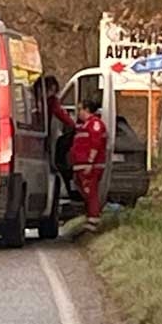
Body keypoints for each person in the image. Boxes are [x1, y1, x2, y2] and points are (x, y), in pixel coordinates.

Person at [69, 96, 108, 234]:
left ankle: (93, 221)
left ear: (87, 109)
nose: (78, 112)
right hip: (81, 165)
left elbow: (95, 144)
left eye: (80, 109)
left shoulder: (95, 124)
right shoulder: (85, 125)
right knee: (86, 192)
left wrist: (90, 162)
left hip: (90, 166)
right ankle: (90, 218)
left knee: (90, 192)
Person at [36, 75, 78, 199]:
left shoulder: (47, 101)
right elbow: (62, 116)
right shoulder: (47, 101)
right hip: (43, 134)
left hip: (43, 135)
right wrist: (74, 125)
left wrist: (73, 125)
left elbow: (61, 115)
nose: (51, 93)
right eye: (51, 90)